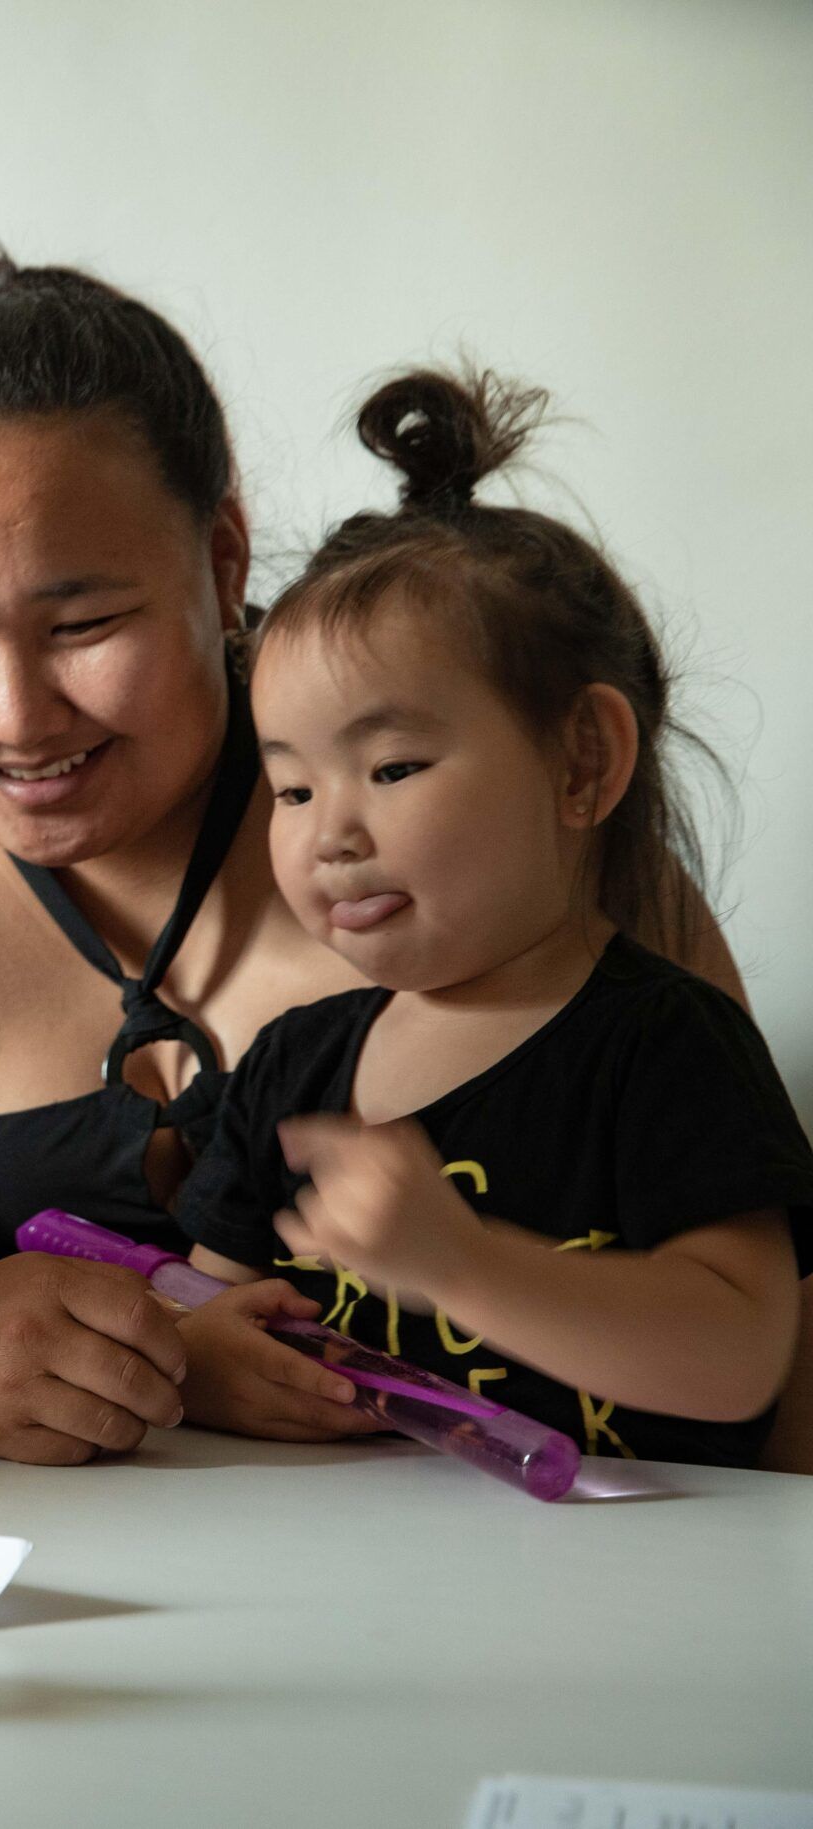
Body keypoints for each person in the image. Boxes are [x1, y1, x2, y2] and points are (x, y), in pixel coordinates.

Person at [0, 256, 747, 1465]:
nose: (16, 716)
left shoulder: (483, 819)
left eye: (83, 625)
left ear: (223, 560)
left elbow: (776, 1315)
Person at [171, 368, 812, 1466]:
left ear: (582, 762)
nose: (329, 833)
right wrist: (205, 1360)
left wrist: (461, 1262)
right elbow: (206, 1303)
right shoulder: (291, 1067)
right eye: (292, 787)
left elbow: (741, 1352)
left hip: (640, 1564)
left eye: (392, 766)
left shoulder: (665, 1046)